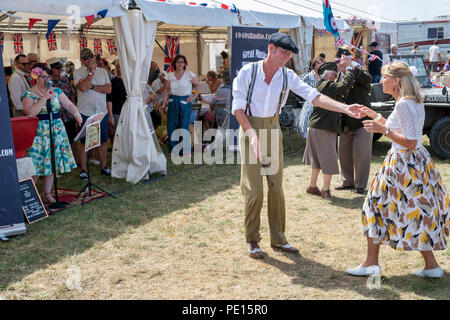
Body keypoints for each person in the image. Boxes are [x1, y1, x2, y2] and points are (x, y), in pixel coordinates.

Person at [232, 32, 364, 259]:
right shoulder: (248, 72)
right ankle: (252, 239)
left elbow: (314, 96)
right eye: (283, 53)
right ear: (270, 48)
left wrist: (344, 108)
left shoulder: (287, 75)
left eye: (289, 55)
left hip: (272, 129)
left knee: (276, 188)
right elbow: (238, 108)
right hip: (250, 128)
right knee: (254, 190)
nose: (286, 58)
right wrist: (252, 134)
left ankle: (279, 239)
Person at [347, 61, 449, 278]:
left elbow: (410, 140)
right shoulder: (413, 101)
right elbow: (400, 127)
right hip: (416, 163)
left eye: (384, 77)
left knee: (373, 207)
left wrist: (382, 130)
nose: (380, 81)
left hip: (403, 164)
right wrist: (372, 115)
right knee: (419, 210)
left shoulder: (403, 104)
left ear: (396, 81)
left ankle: (371, 264)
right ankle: (431, 266)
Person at [22, 65, 83, 204]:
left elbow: (68, 104)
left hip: (56, 129)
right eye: (44, 77)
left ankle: (47, 193)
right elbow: (30, 112)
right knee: (37, 164)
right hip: (38, 132)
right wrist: (43, 99)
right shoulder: (29, 94)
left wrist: (76, 113)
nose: (47, 80)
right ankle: (26, 195)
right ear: (36, 78)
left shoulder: (56, 91)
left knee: (52, 163)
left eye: (48, 77)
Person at [303, 58, 357, 200]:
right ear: (325, 74)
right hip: (323, 127)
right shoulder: (325, 85)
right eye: (333, 74)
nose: (335, 76)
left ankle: (312, 186)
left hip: (318, 126)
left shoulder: (323, 84)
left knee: (317, 161)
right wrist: (350, 70)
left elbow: (340, 86)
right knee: (329, 159)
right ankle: (325, 190)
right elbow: (344, 86)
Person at [336, 47, 373, 194]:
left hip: (361, 121)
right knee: (343, 153)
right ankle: (347, 182)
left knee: (361, 155)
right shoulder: (338, 75)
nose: (340, 62)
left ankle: (360, 185)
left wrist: (352, 68)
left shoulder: (358, 71)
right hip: (345, 122)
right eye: (338, 59)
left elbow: (367, 79)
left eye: (343, 58)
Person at [74, 48, 112, 180]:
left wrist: (92, 86)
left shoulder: (103, 72)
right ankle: (83, 169)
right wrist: (90, 73)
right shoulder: (77, 72)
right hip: (85, 112)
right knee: (84, 142)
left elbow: (108, 89)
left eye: (90, 56)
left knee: (102, 141)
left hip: (101, 111)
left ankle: (104, 166)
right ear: (81, 60)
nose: (88, 59)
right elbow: (83, 87)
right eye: (85, 58)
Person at [160, 54, 200, 155]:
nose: (180, 64)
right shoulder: (170, 76)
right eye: (178, 62)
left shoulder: (189, 75)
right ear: (175, 63)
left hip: (185, 101)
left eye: (182, 62)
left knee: (184, 125)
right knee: (172, 125)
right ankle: (174, 149)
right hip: (173, 101)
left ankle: (186, 150)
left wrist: (193, 97)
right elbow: (167, 91)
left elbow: (198, 85)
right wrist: (164, 103)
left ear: (184, 63)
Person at [48, 57, 79, 166]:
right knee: (57, 141)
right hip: (55, 117)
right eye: (57, 68)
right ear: (51, 69)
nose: (60, 70)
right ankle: (58, 163)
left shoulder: (65, 80)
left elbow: (71, 95)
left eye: (60, 67)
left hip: (68, 115)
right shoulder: (47, 83)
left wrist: (74, 110)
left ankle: (75, 160)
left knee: (72, 138)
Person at [294, 56, 324, 138]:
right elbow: (298, 85)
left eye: (322, 62)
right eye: (318, 62)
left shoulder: (324, 77)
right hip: (310, 106)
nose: (320, 64)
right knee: (307, 130)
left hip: (322, 106)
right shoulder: (308, 76)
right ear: (314, 66)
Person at [106, 59, 127, 147]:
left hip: (129, 111)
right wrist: (110, 116)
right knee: (118, 135)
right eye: (118, 66)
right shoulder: (114, 81)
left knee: (128, 135)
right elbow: (109, 100)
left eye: (121, 66)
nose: (120, 68)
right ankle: (117, 156)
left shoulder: (130, 82)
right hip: (117, 112)